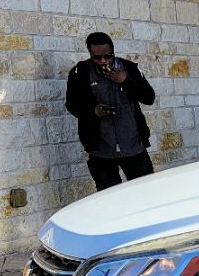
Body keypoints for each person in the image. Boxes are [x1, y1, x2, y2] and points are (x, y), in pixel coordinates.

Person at [65, 32, 157, 191]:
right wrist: (93, 112)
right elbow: (72, 105)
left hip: (134, 148)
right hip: (101, 151)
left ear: (113, 51)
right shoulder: (79, 73)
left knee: (145, 194)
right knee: (110, 202)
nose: (103, 61)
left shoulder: (129, 68)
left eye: (107, 57)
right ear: (90, 53)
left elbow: (149, 97)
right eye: (97, 57)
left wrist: (125, 81)